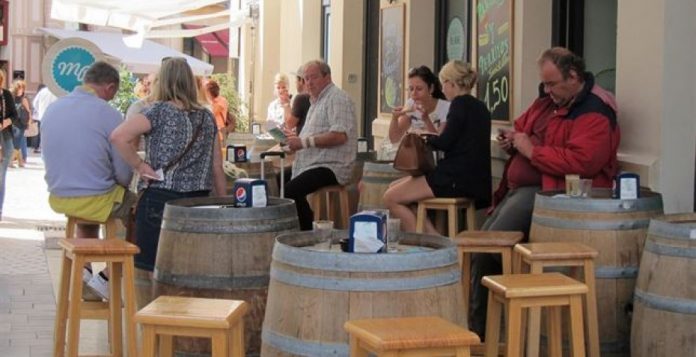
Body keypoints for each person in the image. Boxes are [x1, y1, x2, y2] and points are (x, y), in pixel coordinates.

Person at [469, 46, 621, 339]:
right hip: (522, 188)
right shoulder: (551, 100)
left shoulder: (595, 109)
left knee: (488, 249)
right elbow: (523, 124)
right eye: (544, 83)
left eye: (552, 83)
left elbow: (583, 162)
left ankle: (484, 336)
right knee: (481, 245)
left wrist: (531, 150)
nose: (546, 89)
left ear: (573, 76)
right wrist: (513, 140)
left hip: (550, 193)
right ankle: (488, 330)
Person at [111, 57, 226, 272]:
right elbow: (217, 167)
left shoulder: (157, 111)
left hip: (160, 199)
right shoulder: (207, 117)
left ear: (162, 81)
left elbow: (118, 136)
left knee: (152, 269)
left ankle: (151, 305)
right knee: (187, 270)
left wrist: (140, 166)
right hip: (198, 202)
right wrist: (224, 205)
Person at [42, 61, 135, 300]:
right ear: (110, 87)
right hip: (95, 198)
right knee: (143, 212)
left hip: (59, 195)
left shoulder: (54, 108)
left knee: (93, 204)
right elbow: (123, 174)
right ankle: (106, 277)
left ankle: (83, 270)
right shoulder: (110, 114)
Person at [383, 60, 492, 233]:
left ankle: (425, 248)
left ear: (451, 83)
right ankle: (434, 239)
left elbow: (445, 142)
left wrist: (422, 137)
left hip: (455, 178)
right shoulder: (480, 107)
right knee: (396, 189)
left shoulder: (458, 104)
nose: (443, 89)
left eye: (444, 84)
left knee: (391, 197)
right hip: (476, 179)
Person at [284, 60, 357, 230]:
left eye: (313, 77)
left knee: (291, 191)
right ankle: (294, 228)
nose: (309, 82)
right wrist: (293, 142)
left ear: (327, 77)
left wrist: (303, 142)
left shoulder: (337, 98)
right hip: (311, 163)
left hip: (331, 166)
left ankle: (308, 233)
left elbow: (340, 136)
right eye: (306, 79)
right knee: (275, 183)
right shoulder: (315, 102)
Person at [388, 65, 450, 144]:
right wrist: (394, 118)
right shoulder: (410, 104)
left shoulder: (446, 107)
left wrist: (426, 119)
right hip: (416, 154)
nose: (414, 93)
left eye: (419, 89)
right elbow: (394, 139)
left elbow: (440, 142)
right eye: (411, 89)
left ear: (431, 88)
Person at [0, 69, 17, 220]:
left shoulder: (6, 95)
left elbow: (15, 115)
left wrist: (6, 122)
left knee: (1, 176)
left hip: (5, 140)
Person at [10, 80, 32, 168]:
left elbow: (28, 111)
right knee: (16, 143)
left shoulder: (23, 99)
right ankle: (20, 162)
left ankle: (10, 161)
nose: (21, 90)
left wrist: (29, 122)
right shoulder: (11, 98)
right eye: (19, 88)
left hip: (21, 124)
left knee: (17, 143)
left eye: (22, 88)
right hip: (12, 123)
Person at [31, 84, 57, 154]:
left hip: (41, 116)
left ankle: (40, 148)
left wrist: (39, 110)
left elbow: (34, 103)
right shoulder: (56, 92)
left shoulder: (42, 91)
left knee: (40, 133)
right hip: (53, 116)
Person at [204, 79, 231, 148]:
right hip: (209, 134)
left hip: (219, 134)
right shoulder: (208, 101)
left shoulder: (221, 101)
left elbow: (211, 112)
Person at [285, 65, 311, 134]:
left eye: (296, 80)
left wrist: (286, 104)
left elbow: (289, 124)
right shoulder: (315, 96)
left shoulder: (301, 98)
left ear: (301, 81)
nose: (295, 82)